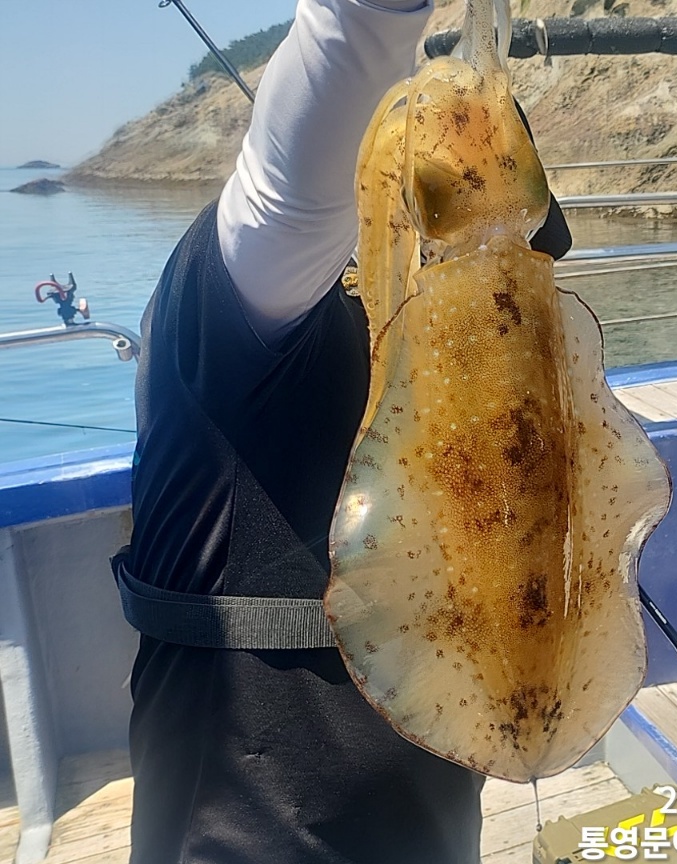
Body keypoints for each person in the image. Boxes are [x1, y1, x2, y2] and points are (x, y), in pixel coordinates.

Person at [110, 1, 570, 861]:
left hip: (438, 821)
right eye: (439, 209)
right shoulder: (245, 304)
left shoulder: (485, 350)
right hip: (245, 835)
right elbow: (291, 192)